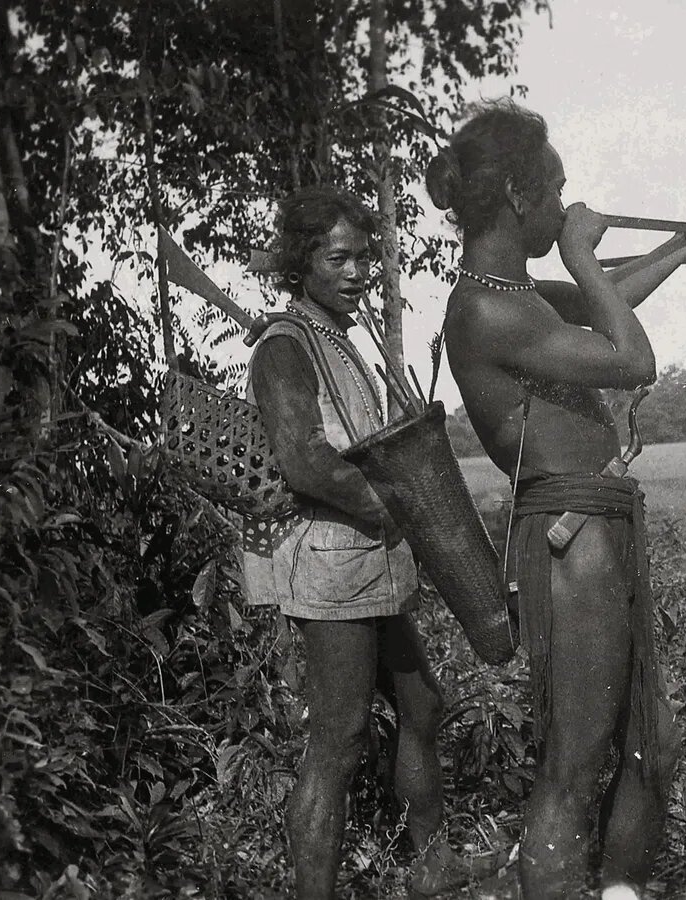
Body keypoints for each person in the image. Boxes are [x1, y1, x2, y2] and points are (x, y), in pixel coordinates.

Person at [424, 99, 686, 899]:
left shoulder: (517, 295)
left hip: (598, 526)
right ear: (518, 196)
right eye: (557, 190)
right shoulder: (487, 309)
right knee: (574, 763)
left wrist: (682, 245)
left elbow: (610, 301)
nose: (567, 206)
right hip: (571, 539)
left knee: (649, 745)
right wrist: (579, 254)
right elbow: (631, 359)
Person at [241, 185, 493, 899]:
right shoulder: (285, 346)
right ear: (302, 263)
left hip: (367, 557)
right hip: (331, 565)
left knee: (422, 705)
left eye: (363, 258)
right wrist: (398, 505)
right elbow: (304, 461)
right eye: (338, 260)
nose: (356, 273)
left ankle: (432, 866)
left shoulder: (336, 339)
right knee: (340, 739)